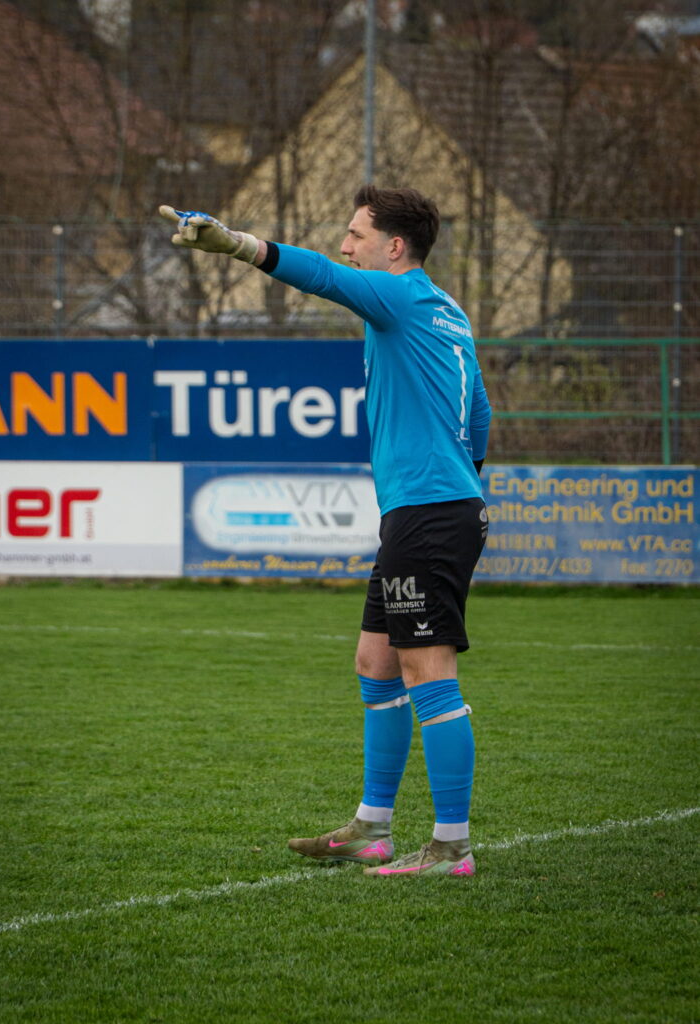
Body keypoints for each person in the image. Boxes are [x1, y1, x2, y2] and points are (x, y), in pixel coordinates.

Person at [160, 186, 491, 878]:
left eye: (356, 234)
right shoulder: (446, 310)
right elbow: (480, 413)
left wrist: (236, 244)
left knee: (428, 671)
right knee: (376, 662)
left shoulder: (398, 294)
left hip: (429, 511)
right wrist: (464, 482)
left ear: (394, 247)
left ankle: (451, 846)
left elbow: (321, 275)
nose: (346, 246)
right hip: (431, 507)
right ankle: (372, 827)